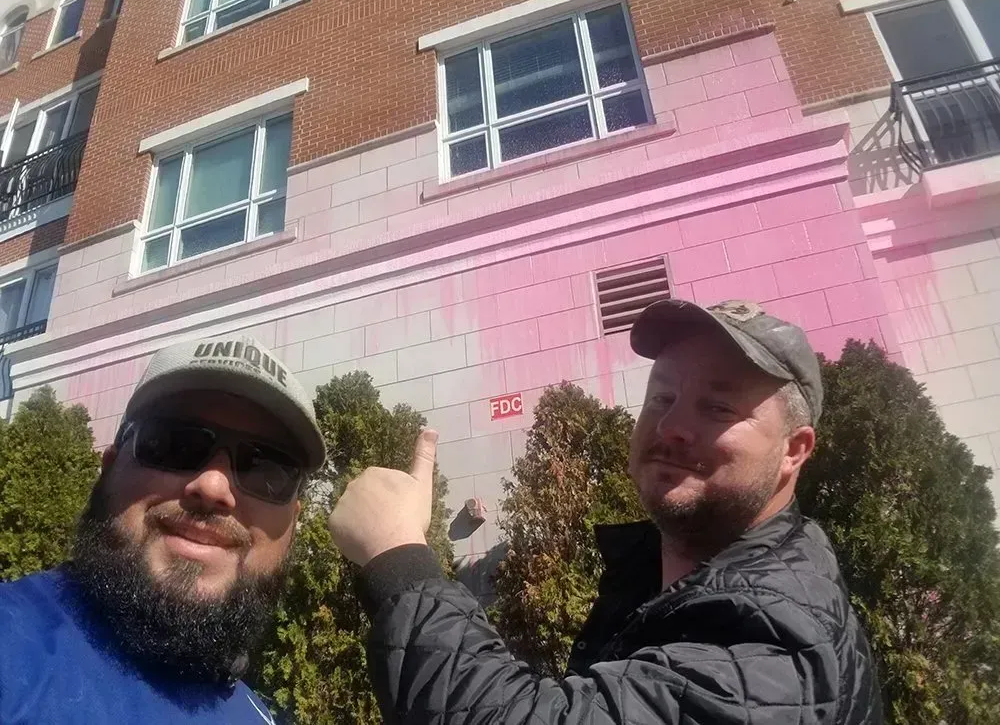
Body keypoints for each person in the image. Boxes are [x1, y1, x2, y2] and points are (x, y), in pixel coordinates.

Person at [329, 298, 884, 724]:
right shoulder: (673, 582)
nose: (671, 427)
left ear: (794, 450)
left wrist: (398, 557)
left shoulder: (776, 640)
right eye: (661, 397)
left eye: (717, 407)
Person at [0, 334, 325, 724]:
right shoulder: (11, 646)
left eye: (269, 470)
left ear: (293, 523)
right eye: (175, 443)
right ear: (109, 471)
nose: (213, 487)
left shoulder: (257, 714)